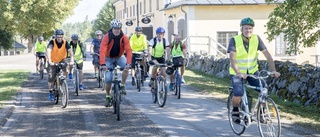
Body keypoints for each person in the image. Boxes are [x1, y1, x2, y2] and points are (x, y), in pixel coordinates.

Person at [228, 17, 280, 124]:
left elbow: (267, 54)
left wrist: (274, 70)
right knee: (238, 92)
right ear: (241, 29)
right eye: (246, 28)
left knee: (264, 89)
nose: (248, 31)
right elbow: (232, 58)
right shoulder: (234, 40)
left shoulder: (256, 39)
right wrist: (239, 73)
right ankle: (235, 110)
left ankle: (261, 113)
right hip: (237, 73)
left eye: (250, 29)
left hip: (252, 71)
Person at [100, 19, 132, 107]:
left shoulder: (124, 37)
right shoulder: (107, 36)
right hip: (108, 58)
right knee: (108, 78)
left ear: (120, 28)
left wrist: (128, 63)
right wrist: (103, 64)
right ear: (112, 28)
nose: (117, 30)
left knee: (126, 67)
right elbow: (102, 50)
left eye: (118, 28)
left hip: (119, 57)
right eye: (115, 28)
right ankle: (108, 96)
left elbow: (128, 50)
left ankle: (122, 85)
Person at [47, 29, 74, 101]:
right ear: (55, 36)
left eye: (61, 37)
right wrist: (49, 61)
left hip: (62, 59)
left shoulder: (65, 42)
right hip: (52, 61)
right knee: (51, 77)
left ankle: (62, 80)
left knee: (66, 66)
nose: (59, 38)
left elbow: (70, 52)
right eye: (58, 37)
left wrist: (71, 60)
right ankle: (51, 92)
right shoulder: (52, 42)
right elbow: (48, 51)